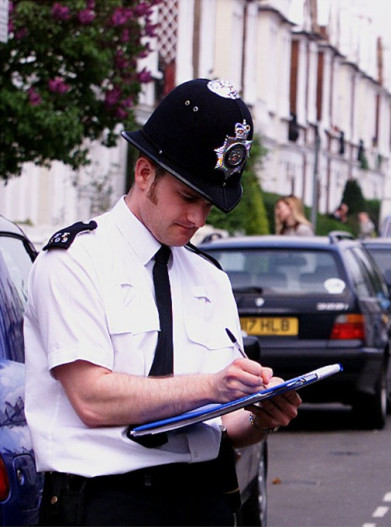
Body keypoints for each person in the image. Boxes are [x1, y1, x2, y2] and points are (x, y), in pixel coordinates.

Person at [24, 78, 301, 526]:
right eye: (188, 196)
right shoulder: (75, 261)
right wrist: (212, 386)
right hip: (108, 502)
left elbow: (226, 425)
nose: (196, 218)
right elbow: (91, 398)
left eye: (209, 204)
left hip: (205, 494)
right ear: (144, 173)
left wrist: (262, 417)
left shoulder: (209, 277)